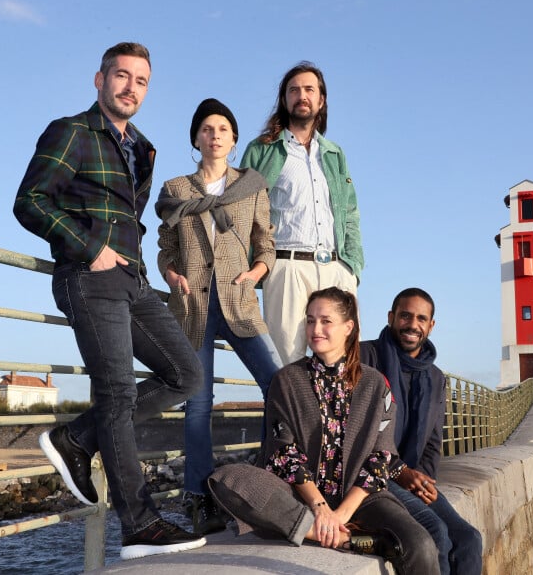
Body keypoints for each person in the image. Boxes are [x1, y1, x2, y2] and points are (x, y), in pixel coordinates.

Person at [13, 42, 207, 560]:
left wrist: (136, 263)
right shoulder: (72, 131)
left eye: (141, 81)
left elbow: (132, 216)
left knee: (187, 375)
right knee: (118, 393)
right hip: (89, 275)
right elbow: (29, 200)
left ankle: (77, 437)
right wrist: (90, 248)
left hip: (134, 279)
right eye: (121, 76)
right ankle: (140, 526)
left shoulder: (142, 147)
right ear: (99, 81)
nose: (130, 88)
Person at [209, 287, 440, 574]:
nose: (315, 329)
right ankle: (343, 538)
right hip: (300, 498)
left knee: (420, 543)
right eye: (310, 320)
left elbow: (382, 458)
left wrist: (341, 513)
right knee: (227, 479)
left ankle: (328, 529)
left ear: (348, 327)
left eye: (325, 321)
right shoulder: (287, 380)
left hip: (361, 499)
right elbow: (283, 452)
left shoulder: (376, 385)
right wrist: (321, 510)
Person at [156, 98, 283, 536]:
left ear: (233, 138)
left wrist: (255, 273)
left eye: (223, 129)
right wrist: (172, 274)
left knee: (279, 386)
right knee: (198, 402)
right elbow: (165, 248)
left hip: (239, 300)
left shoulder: (251, 187)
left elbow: (265, 244)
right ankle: (200, 498)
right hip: (192, 306)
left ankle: (271, 475)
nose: (215, 135)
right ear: (196, 138)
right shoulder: (175, 190)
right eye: (207, 129)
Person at [240, 62, 364, 365]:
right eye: (294, 90)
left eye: (309, 89)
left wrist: (353, 269)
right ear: (285, 99)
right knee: (287, 367)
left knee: (342, 366)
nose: (302, 95)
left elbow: (350, 212)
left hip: (336, 268)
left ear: (321, 100)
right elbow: (241, 212)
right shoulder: (261, 150)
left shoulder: (335, 153)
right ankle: (289, 415)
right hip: (286, 267)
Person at [360, 288, 483, 575]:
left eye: (421, 318)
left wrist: (423, 481)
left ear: (431, 325)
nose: (412, 325)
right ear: (391, 317)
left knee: (469, 539)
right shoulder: (365, 358)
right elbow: (358, 435)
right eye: (405, 316)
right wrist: (399, 472)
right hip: (372, 475)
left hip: (410, 477)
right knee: (436, 532)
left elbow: (433, 442)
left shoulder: (435, 377)